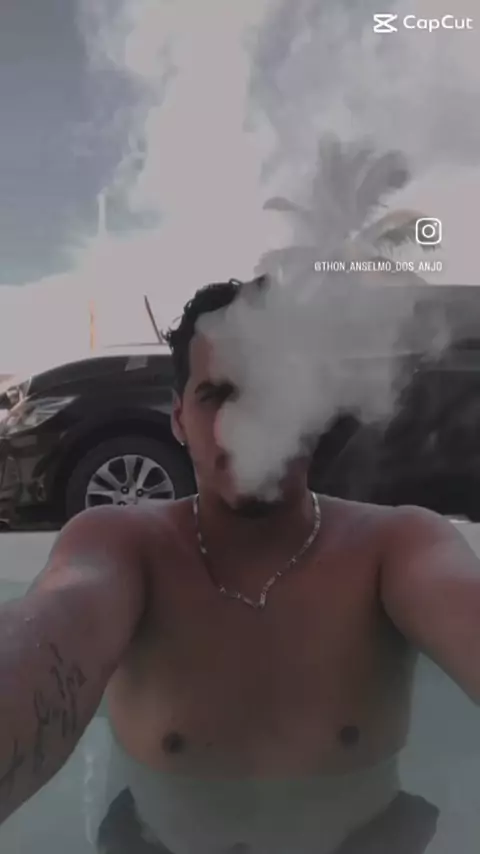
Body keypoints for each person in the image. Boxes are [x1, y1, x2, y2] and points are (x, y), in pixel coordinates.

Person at [0, 278, 479, 854]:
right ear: (179, 419)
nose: (246, 421)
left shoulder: (398, 545)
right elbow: (51, 630)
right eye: (218, 394)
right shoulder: (122, 546)